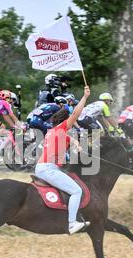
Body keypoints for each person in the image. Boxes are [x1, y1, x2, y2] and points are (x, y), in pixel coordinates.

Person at [35, 86, 91, 235]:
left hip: (44, 167)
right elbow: (75, 115)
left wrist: (77, 145)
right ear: (65, 120)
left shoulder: (53, 131)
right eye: (70, 121)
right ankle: (72, 224)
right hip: (48, 168)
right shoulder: (61, 129)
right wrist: (85, 97)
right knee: (76, 191)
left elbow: (72, 141)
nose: (73, 124)